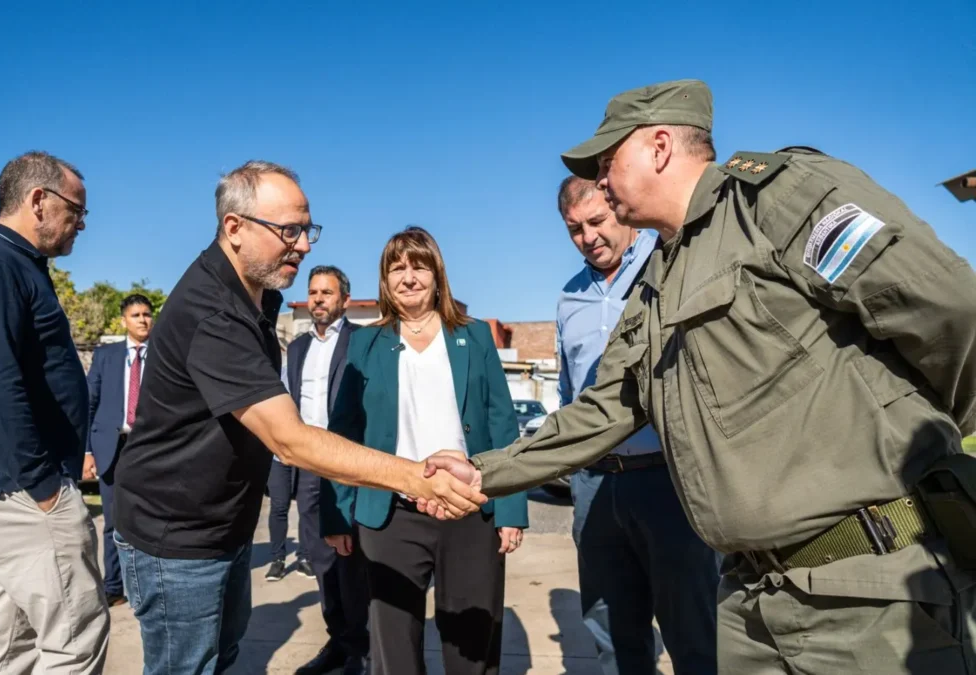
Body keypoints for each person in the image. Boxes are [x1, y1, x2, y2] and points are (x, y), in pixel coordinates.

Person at [422, 79, 976, 674]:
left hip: (866, 588)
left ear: (660, 146)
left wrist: (933, 437)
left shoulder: (777, 198)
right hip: (750, 598)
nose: (601, 182)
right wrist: (485, 471)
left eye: (607, 163)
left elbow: (947, 309)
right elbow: (604, 408)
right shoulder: (656, 283)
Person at [110, 161, 485, 675]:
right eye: (289, 230)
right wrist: (419, 477)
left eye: (308, 229)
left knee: (221, 658)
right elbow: (289, 439)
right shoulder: (212, 312)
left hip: (221, 530)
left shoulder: (258, 296)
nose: (305, 245)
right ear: (234, 227)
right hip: (176, 539)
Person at [321, 226, 529, 675]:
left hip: (469, 510)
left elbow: (502, 424)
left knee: (472, 648)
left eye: (419, 267)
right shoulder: (364, 343)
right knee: (393, 648)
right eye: (397, 268)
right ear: (385, 279)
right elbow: (343, 433)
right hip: (391, 515)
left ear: (438, 276)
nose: (409, 277)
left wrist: (511, 509)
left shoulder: (474, 336)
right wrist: (336, 514)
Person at [0, 151, 109, 674]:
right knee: (74, 642)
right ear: (38, 200)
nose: (81, 224)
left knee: (6, 645)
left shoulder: (11, 264)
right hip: (22, 497)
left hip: (9, 493)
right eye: (76, 210)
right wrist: (45, 488)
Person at [555, 175, 720, 674]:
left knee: (694, 633)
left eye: (597, 221)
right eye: (575, 229)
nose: (588, 237)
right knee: (612, 635)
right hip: (595, 484)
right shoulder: (569, 299)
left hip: (668, 480)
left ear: (617, 207)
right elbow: (569, 395)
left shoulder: (670, 263)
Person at [281, 265, 371, 675]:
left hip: (348, 463)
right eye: (313, 292)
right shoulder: (297, 347)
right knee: (320, 559)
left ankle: (362, 651)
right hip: (308, 466)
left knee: (352, 560)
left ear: (345, 300)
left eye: (327, 293)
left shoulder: (362, 341)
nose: (318, 299)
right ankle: (339, 641)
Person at [84, 293, 155, 606]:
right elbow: (89, 403)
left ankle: (149, 584)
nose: (142, 320)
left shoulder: (164, 353)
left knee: (149, 519)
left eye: (147, 314)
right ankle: (113, 586)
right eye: (136, 315)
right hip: (111, 448)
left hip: (149, 449)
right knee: (113, 521)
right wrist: (87, 452)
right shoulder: (106, 356)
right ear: (124, 320)